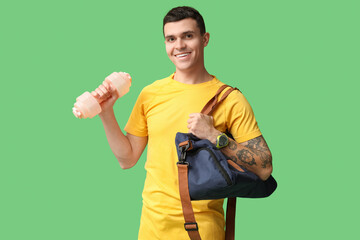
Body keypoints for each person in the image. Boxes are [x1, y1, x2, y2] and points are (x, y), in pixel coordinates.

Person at [92, 6, 273, 240]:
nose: (179, 45)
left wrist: (215, 135)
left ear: (204, 39)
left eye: (188, 36)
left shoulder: (230, 99)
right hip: (151, 227)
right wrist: (106, 113)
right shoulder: (151, 94)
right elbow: (127, 159)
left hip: (201, 229)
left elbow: (264, 168)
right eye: (171, 38)